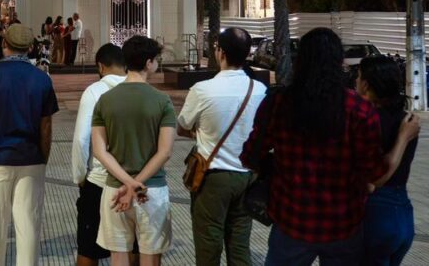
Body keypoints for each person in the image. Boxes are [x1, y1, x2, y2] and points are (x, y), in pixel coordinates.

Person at [241, 28, 385, 265]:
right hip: (344, 222)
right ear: (339, 62)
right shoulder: (359, 109)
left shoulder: (279, 103)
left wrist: (275, 167)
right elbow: (374, 171)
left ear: (300, 61)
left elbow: (249, 155)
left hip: (291, 220)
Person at [176, 28, 267, 266]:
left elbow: (182, 127)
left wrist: (201, 133)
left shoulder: (202, 89)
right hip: (248, 176)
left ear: (220, 53)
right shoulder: (259, 90)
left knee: (209, 242)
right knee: (240, 242)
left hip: (213, 177)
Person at [0, 23, 58, 266]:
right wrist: (43, 156)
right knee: (28, 226)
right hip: (30, 159)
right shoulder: (41, 78)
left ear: (4, 44)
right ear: (30, 48)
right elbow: (46, 125)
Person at [91, 35, 176, 265]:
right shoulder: (162, 101)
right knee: (150, 257)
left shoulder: (105, 100)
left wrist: (128, 183)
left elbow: (100, 151)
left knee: (119, 257)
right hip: (151, 190)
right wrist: (136, 184)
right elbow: (165, 152)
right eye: (156, 60)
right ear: (149, 63)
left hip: (115, 191)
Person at [356, 55, 421, 265]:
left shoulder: (367, 121)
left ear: (366, 84)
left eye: (358, 77)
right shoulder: (407, 120)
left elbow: (374, 180)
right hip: (403, 213)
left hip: (375, 213)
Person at [71, 44, 128, 266]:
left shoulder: (94, 91)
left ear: (101, 66)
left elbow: (81, 139)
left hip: (99, 181)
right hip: (133, 182)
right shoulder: (141, 90)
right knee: (130, 247)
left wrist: (80, 176)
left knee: (89, 249)